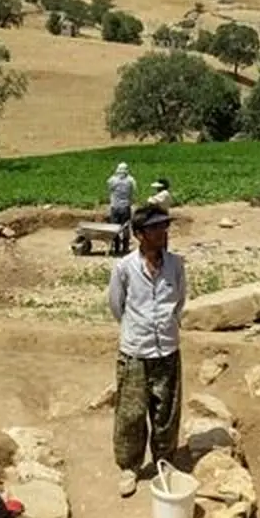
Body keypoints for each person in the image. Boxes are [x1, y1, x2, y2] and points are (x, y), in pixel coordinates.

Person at [107, 205, 187, 498]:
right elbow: (117, 305)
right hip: (135, 351)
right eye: (155, 229)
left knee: (166, 411)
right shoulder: (124, 267)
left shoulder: (176, 265)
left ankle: (163, 461)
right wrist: (136, 328)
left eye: (164, 227)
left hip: (167, 348)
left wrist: (166, 325)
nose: (162, 233)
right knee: (131, 413)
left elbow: (179, 301)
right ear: (140, 234)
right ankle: (129, 467)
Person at [106, 162, 137, 255]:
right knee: (125, 227)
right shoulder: (131, 180)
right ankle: (125, 248)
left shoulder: (112, 180)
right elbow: (134, 190)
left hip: (114, 207)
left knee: (114, 227)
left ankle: (116, 248)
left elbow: (109, 188)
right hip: (126, 207)